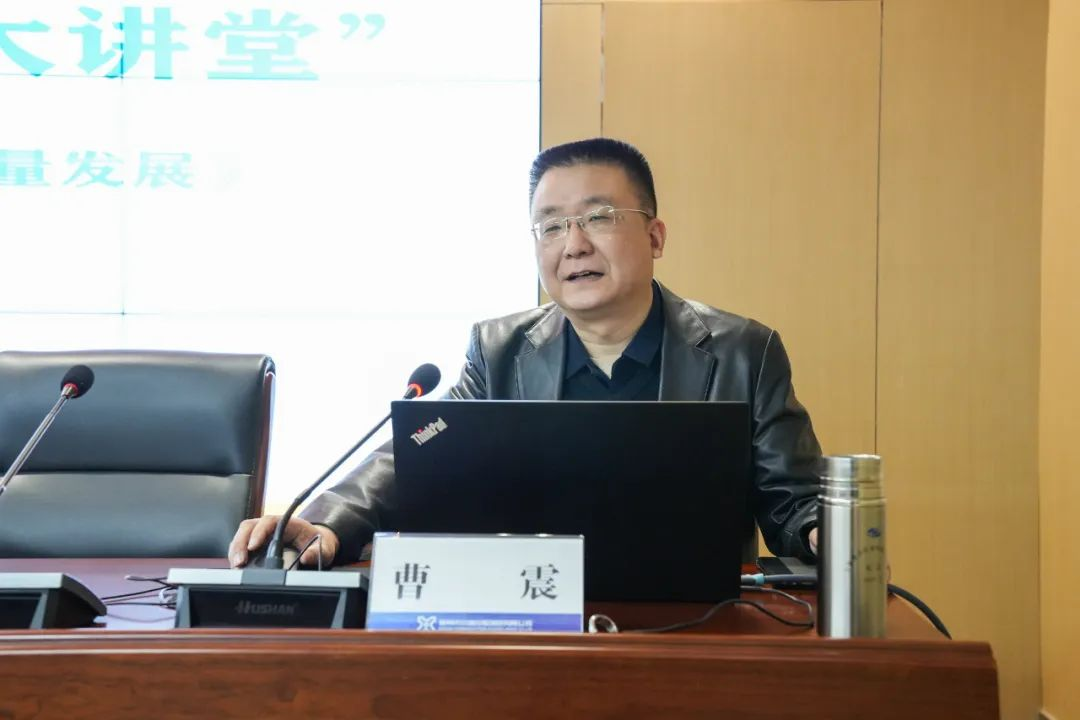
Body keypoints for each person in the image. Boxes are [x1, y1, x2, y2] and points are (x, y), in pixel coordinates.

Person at [230, 137, 822, 568]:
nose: (574, 245)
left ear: (655, 236)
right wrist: (327, 522)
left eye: (599, 217)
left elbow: (793, 500)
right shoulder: (499, 351)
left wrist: (824, 532)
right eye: (552, 226)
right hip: (533, 616)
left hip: (697, 622)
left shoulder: (744, 351)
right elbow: (417, 454)